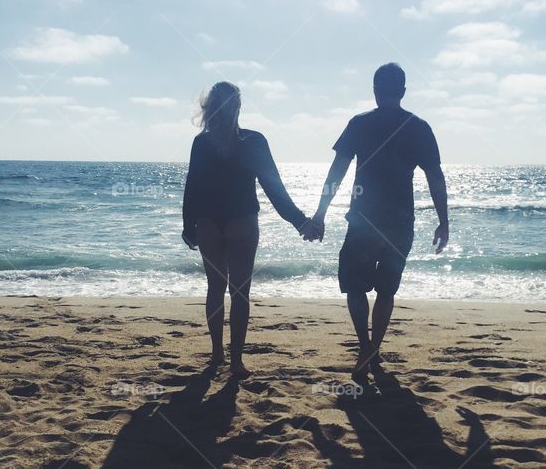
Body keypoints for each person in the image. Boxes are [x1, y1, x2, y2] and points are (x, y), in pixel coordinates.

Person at [304, 63, 449, 388]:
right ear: (402, 91)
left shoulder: (360, 124)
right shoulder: (419, 127)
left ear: (374, 89)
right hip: (400, 222)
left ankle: (366, 347)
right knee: (386, 290)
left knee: (356, 287)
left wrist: (320, 213)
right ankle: (372, 350)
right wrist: (443, 222)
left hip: (364, 219)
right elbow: (435, 177)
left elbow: (336, 172)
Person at [182, 81, 316, 378]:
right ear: (239, 107)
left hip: (207, 222)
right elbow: (274, 190)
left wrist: (187, 225)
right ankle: (236, 362)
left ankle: (217, 352)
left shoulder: (201, 143)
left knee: (215, 289)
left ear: (210, 107)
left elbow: (192, 188)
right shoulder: (255, 141)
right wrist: (301, 222)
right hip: (241, 220)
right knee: (240, 292)